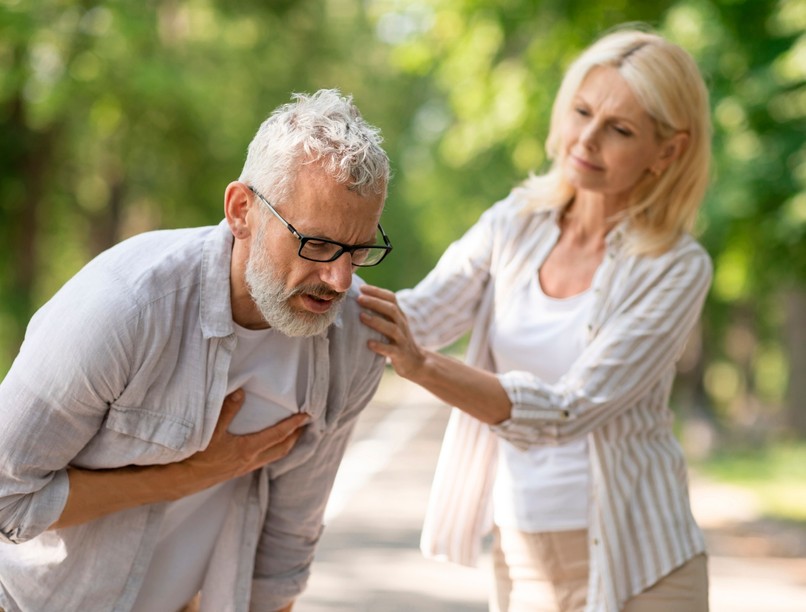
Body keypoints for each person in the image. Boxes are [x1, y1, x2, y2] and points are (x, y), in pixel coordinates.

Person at [358, 27, 712, 612]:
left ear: (668, 152)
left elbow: (570, 410)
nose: (587, 138)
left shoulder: (675, 267)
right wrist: (314, 279)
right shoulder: (514, 224)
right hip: (523, 560)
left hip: (643, 565)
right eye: (581, 111)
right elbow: (417, 314)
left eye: (619, 130)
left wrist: (422, 368)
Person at [0, 88, 392, 612]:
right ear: (241, 211)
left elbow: (284, 552)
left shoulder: (353, 340)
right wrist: (185, 476)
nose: (339, 279)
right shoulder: (125, 306)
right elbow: (6, 496)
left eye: (359, 249)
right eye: (316, 244)